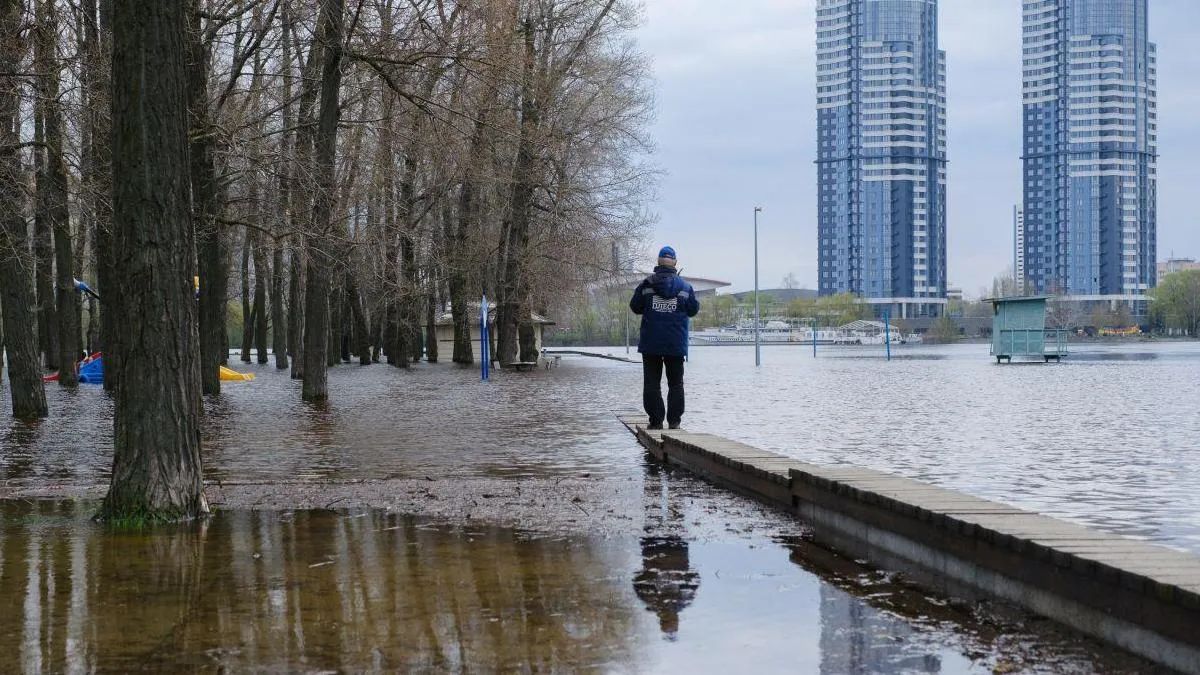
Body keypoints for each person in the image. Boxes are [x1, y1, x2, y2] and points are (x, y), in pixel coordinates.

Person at [630, 246, 699, 430]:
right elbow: (693, 310)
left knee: (652, 383)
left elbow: (635, 307)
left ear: (658, 262)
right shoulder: (685, 287)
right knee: (676, 383)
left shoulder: (646, 284)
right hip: (675, 344)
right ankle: (674, 422)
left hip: (651, 343)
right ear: (675, 263)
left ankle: (656, 421)